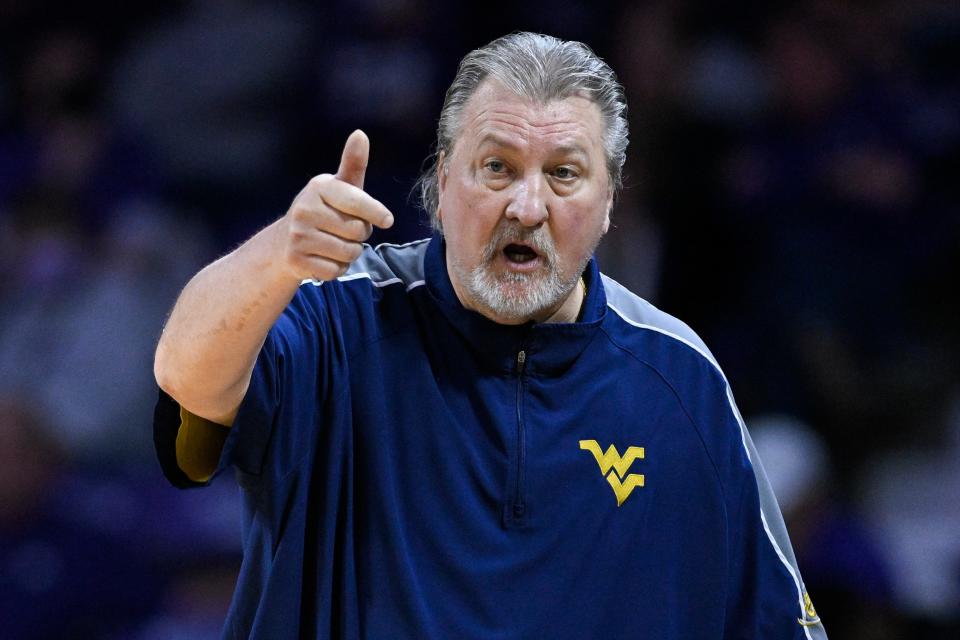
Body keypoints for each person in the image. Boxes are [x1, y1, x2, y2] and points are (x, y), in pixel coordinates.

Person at [153, 32, 827, 639]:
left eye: (564, 173)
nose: (526, 207)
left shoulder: (681, 380)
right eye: (496, 167)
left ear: (610, 202)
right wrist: (276, 256)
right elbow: (187, 380)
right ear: (443, 182)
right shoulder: (335, 317)